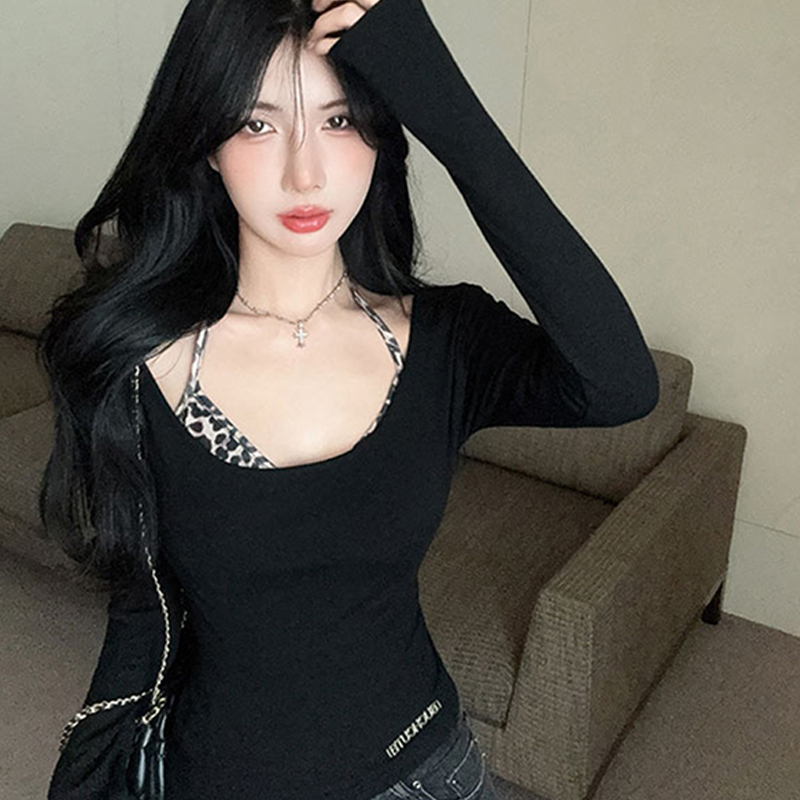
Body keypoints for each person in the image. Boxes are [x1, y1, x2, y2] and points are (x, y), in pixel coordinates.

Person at [39, 0, 660, 798]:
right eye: (257, 124)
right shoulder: (136, 360)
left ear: (381, 132)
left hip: (429, 769)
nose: (305, 173)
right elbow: (142, 616)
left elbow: (619, 384)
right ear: (208, 145)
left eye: (338, 120)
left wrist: (440, 99)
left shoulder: (443, 342)